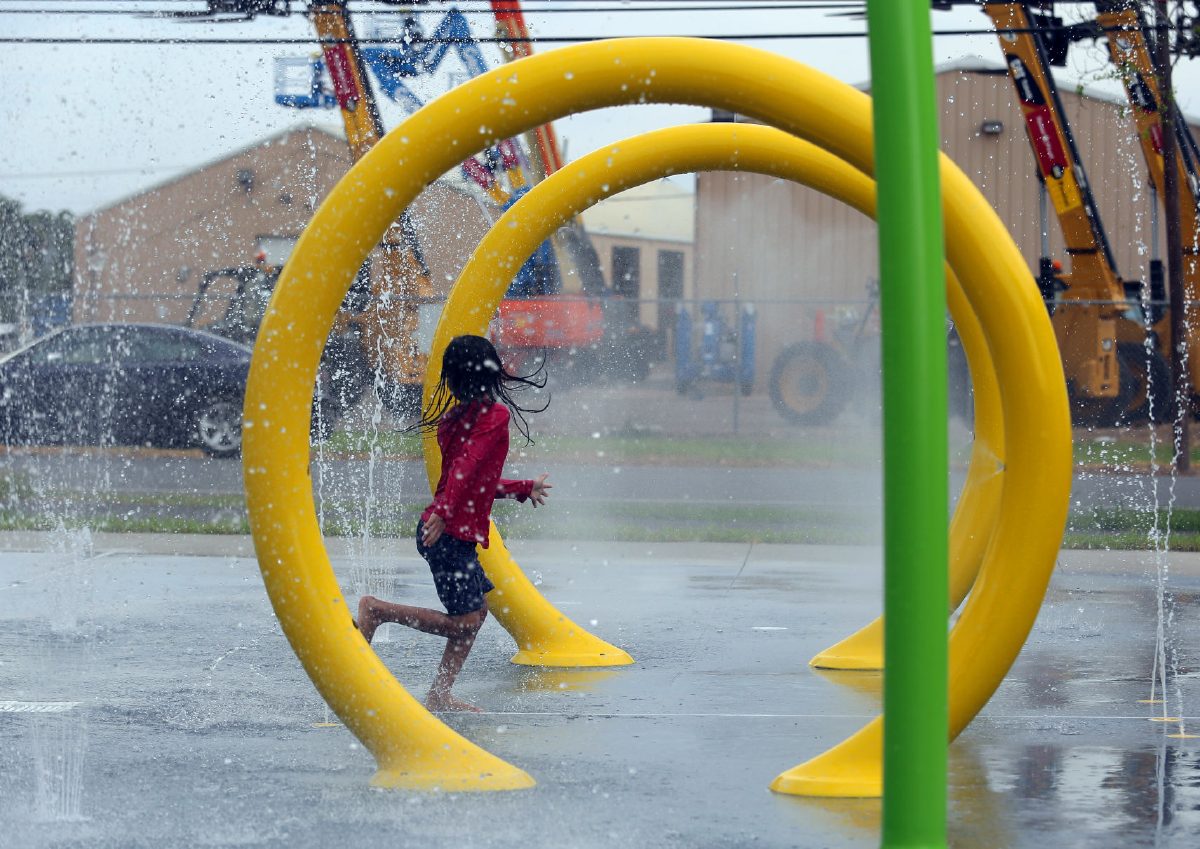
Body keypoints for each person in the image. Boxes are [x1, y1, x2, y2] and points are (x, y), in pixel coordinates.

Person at [356, 334, 552, 713]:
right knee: (463, 621)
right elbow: (464, 471)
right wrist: (445, 514)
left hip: (449, 532)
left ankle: (440, 694)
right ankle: (378, 610)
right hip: (448, 534)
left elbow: (474, 481)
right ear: (491, 370)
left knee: (476, 615)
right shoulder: (494, 417)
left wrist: (522, 488)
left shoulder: (454, 419)